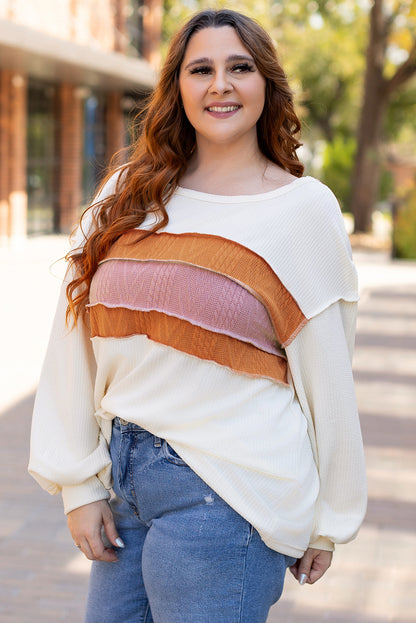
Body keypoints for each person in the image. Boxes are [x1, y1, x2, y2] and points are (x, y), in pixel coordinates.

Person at [29, 8, 367, 623]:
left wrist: (331, 518)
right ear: (176, 87)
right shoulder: (126, 197)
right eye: (200, 69)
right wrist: (79, 484)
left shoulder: (302, 211)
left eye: (240, 68)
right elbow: (71, 342)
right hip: (124, 482)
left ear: (266, 85)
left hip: (229, 491)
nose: (220, 85)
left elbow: (329, 374)